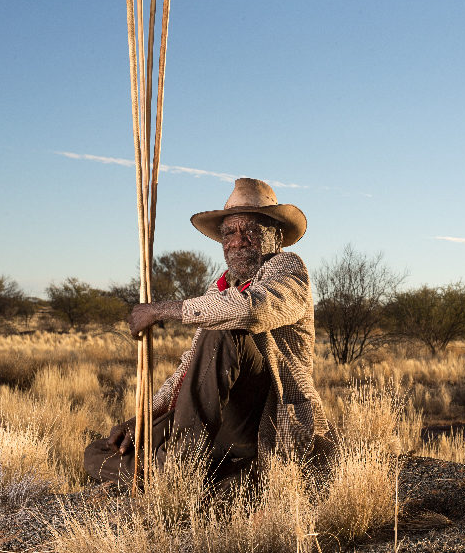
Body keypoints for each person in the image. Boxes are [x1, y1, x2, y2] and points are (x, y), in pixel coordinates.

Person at [84, 178, 335, 484]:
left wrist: (160, 310)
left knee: (227, 329)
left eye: (250, 231)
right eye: (229, 232)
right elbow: (190, 368)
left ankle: (181, 469)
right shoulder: (220, 289)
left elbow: (250, 310)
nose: (238, 241)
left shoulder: (288, 269)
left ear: (276, 235)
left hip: (265, 418)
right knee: (99, 451)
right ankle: (191, 478)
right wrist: (145, 416)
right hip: (215, 420)